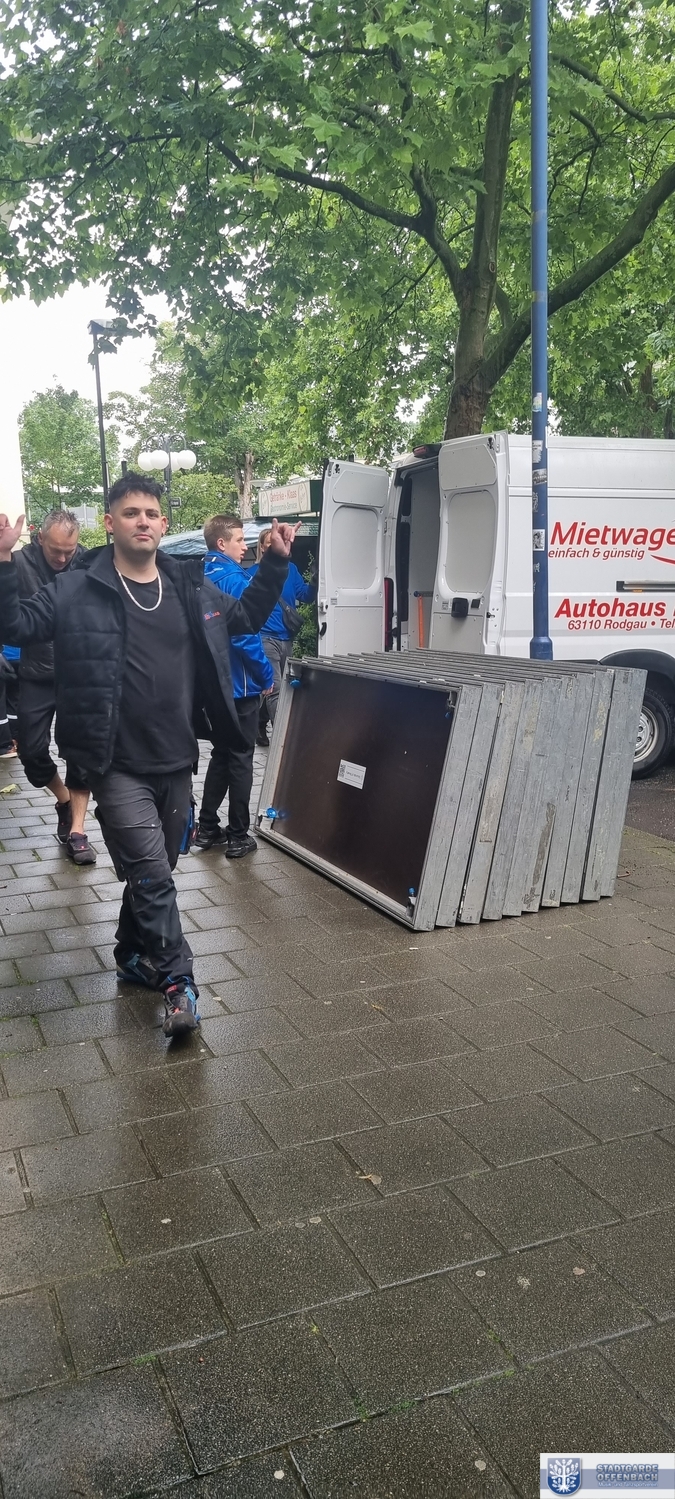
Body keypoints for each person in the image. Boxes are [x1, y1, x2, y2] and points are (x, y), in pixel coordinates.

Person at [0, 476, 295, 1037]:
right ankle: (179, 983)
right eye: (131, 511)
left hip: (177, 758)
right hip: (112, 764)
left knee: (157, 868)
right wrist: (4, 561)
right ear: (110, 522)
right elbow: (15, 624)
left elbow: (244, 619)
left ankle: (131, 954)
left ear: (163, 524)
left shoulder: (187, 587)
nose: (143, 520)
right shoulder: (77, 587)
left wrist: (276, 563)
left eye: (151, 513)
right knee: (154, 875)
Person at [10, 510, 96, 864]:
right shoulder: (16, 563)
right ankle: (64, 800)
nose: (62, 559)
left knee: (81, 752)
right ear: (40, 538)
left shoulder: (87, 564)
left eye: (68, 551)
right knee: (30, 751)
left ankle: (78, 830)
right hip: (36, 673)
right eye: (55, 550)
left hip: (80, 674)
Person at [195, 514, 275, 855]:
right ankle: (239, 836)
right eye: (240, 540)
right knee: (241, 758)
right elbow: (245, 634)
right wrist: (265, 675)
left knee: (222, 754)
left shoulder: (199, 577)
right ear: (221, 543)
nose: (246, 546)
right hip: (240, 685)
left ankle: (207, 828)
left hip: (212, 685)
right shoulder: (234, 580)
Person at [253, 525, 316, 746]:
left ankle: (259, 723)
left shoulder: (292, 570)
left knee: (275, 689)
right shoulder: (252, 573)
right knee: (276, 690)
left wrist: (315, 580)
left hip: (286, 638)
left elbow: (306, 596)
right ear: (262, 547)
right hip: (265, 638)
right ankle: (285, 742)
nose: (274, 545)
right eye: (269, 542)